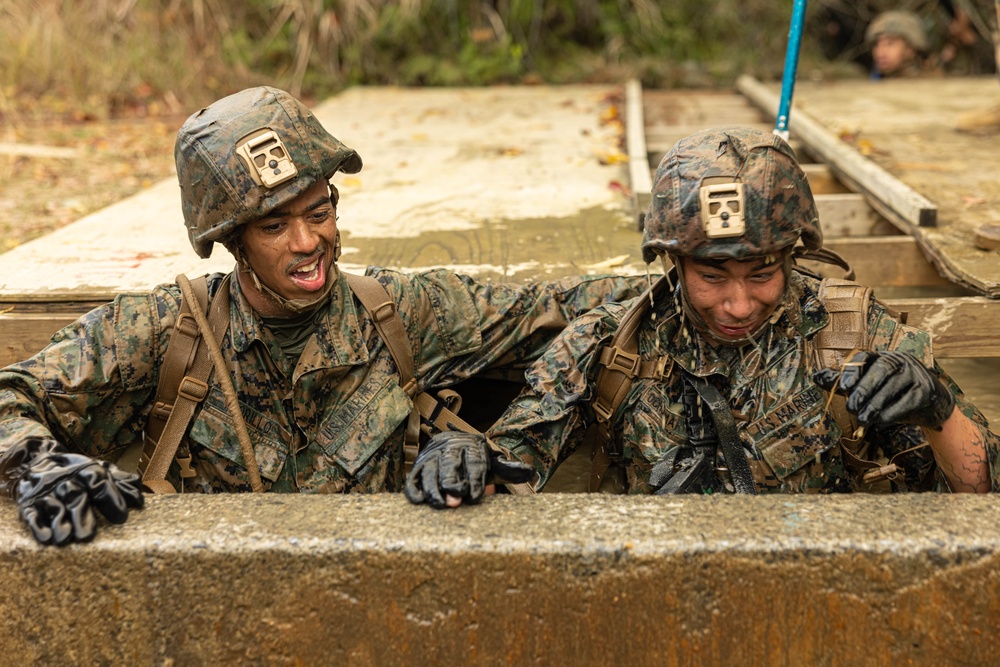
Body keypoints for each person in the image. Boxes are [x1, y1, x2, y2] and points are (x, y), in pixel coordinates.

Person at [0, 86, 647, 546]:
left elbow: (554, 310)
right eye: (275, 225)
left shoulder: (398, 313)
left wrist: (699, 268)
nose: (308, 243)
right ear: (231, 239)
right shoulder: (168, 329)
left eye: (319, 211)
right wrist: (36, 464)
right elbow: (13, 395)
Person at [405, 126, 1000, 508]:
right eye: (712, 277)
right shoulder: (610, 346)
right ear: (674, 260)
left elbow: (982, 493)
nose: (738, 305)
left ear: (794, 255)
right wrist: (463, 460)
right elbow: (513, 466)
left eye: (763, 274)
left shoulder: (856, 337)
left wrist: (936, 408)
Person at [866, 10, 935, 78]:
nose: (880, 52)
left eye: (890, 43)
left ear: (910, 49)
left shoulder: (931, 81)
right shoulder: (874, 80)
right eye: (876, 44)